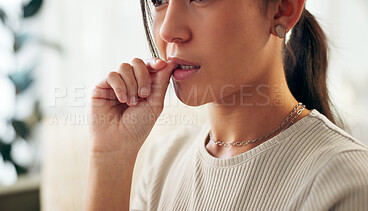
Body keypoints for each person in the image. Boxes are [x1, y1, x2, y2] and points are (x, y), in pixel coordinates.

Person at [84, 0, 368, 210]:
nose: (168, 30)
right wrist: (110, 158)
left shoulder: (345, 179)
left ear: (282, 9)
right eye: (159, 1)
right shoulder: (164, 162)